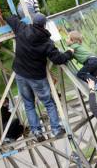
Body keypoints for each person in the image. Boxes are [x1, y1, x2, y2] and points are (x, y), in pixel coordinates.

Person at [7, 13, 74, 142]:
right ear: (44, 25)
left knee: (29, 104)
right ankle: (56, 130)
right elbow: (58, 59)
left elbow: (10, 18)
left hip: (21, 74)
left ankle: (37, 132)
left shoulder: (22, 28)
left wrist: (17, 15)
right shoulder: (46, 41)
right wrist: (69, 53)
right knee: (48, 102)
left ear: (32, 22)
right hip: (36, 77)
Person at [65, 31, 97, 105]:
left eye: (67, 38)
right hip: (94, 61)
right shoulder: (75, 47)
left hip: (91, 61)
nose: (66, 40)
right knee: (93, 82)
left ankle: (95, 83)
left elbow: (65, 54)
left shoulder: (73, 46)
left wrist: (57, 51)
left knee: (80, 74)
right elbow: (68, 57)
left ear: (73, 41)